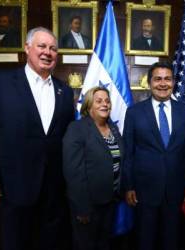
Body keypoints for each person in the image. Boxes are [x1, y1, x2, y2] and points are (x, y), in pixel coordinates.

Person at [0, 27, 75, 250]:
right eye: (42, 46)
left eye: (53, 48)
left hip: (54, 192)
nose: (47, 52)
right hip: (14, 188)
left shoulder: (65, 91)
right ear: (27, 48)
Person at [122, 62, 185, 250]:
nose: (163, 83)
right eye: (157, 79)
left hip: (176, 189)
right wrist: (128, 186)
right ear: (149, 83)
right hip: (143, 190)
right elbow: (128, 152)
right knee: (145, 240)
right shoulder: (134, 112)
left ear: (173, 82)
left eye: (167, 79)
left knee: (171, 240)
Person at [63, 86, 124, 250]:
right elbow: (74, 173)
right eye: (99, 101)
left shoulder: (112, 128)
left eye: (107, 101)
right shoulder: (77, 129)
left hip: (110, 201)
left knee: (104, 244)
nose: (105, 104)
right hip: (88, 205)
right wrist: (82, 207)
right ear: (89, 105)